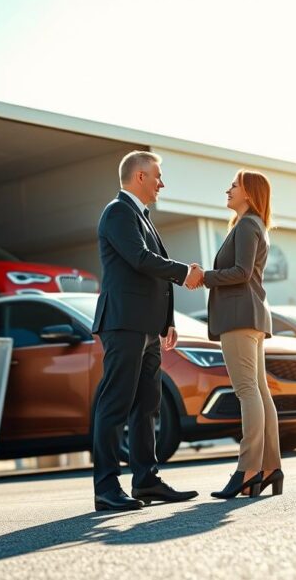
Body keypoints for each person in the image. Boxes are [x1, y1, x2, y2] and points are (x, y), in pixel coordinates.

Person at [90, 150, 203, 512]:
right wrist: (185, 271)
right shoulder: (118, 212)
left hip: (147, 326)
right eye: (157, 176)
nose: (161, 183)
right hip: (123, 323)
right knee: (115, 405)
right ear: (139, 177)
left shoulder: (142, 216)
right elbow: (140, 259)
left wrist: (166, 320)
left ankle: (146, 481)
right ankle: (106, 488)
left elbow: (151, 277)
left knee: (147, 406)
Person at [202, 169, 283, 499]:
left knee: (247, 390)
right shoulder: (253, 225)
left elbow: (241, 272)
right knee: (260, 391)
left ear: (248, 192)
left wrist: (204, 277)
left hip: (239, 316)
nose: (228, 189)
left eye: (234, 185)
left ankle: (248, 470)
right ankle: (269, 467)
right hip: (250, 315)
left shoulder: (248, 225)